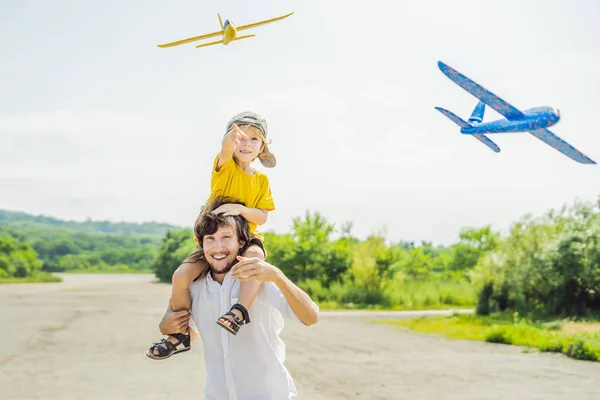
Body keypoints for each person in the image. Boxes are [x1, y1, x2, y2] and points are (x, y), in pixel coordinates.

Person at [156, 196, 319, 399]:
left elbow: (311, 317)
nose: (218, 247)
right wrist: (166, 326)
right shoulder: (195, 289)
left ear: (241, 240)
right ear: (201, 244)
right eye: (210, 239)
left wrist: (278, 276)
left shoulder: (258, 280)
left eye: (226, 237)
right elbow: (193, 331)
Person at [148, 111, 278, 359]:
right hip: (215, 237)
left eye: (254, 139)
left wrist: (241, 210)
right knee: (182, 274)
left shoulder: (261, 180)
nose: (246, 143)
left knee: (253, 260)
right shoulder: (225, 167)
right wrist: (230, 139)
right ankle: (178, 332)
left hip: (246, 237)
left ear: (262, 147)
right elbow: (227, 149)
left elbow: (262, 216)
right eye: (240, 137)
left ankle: (238, 311)